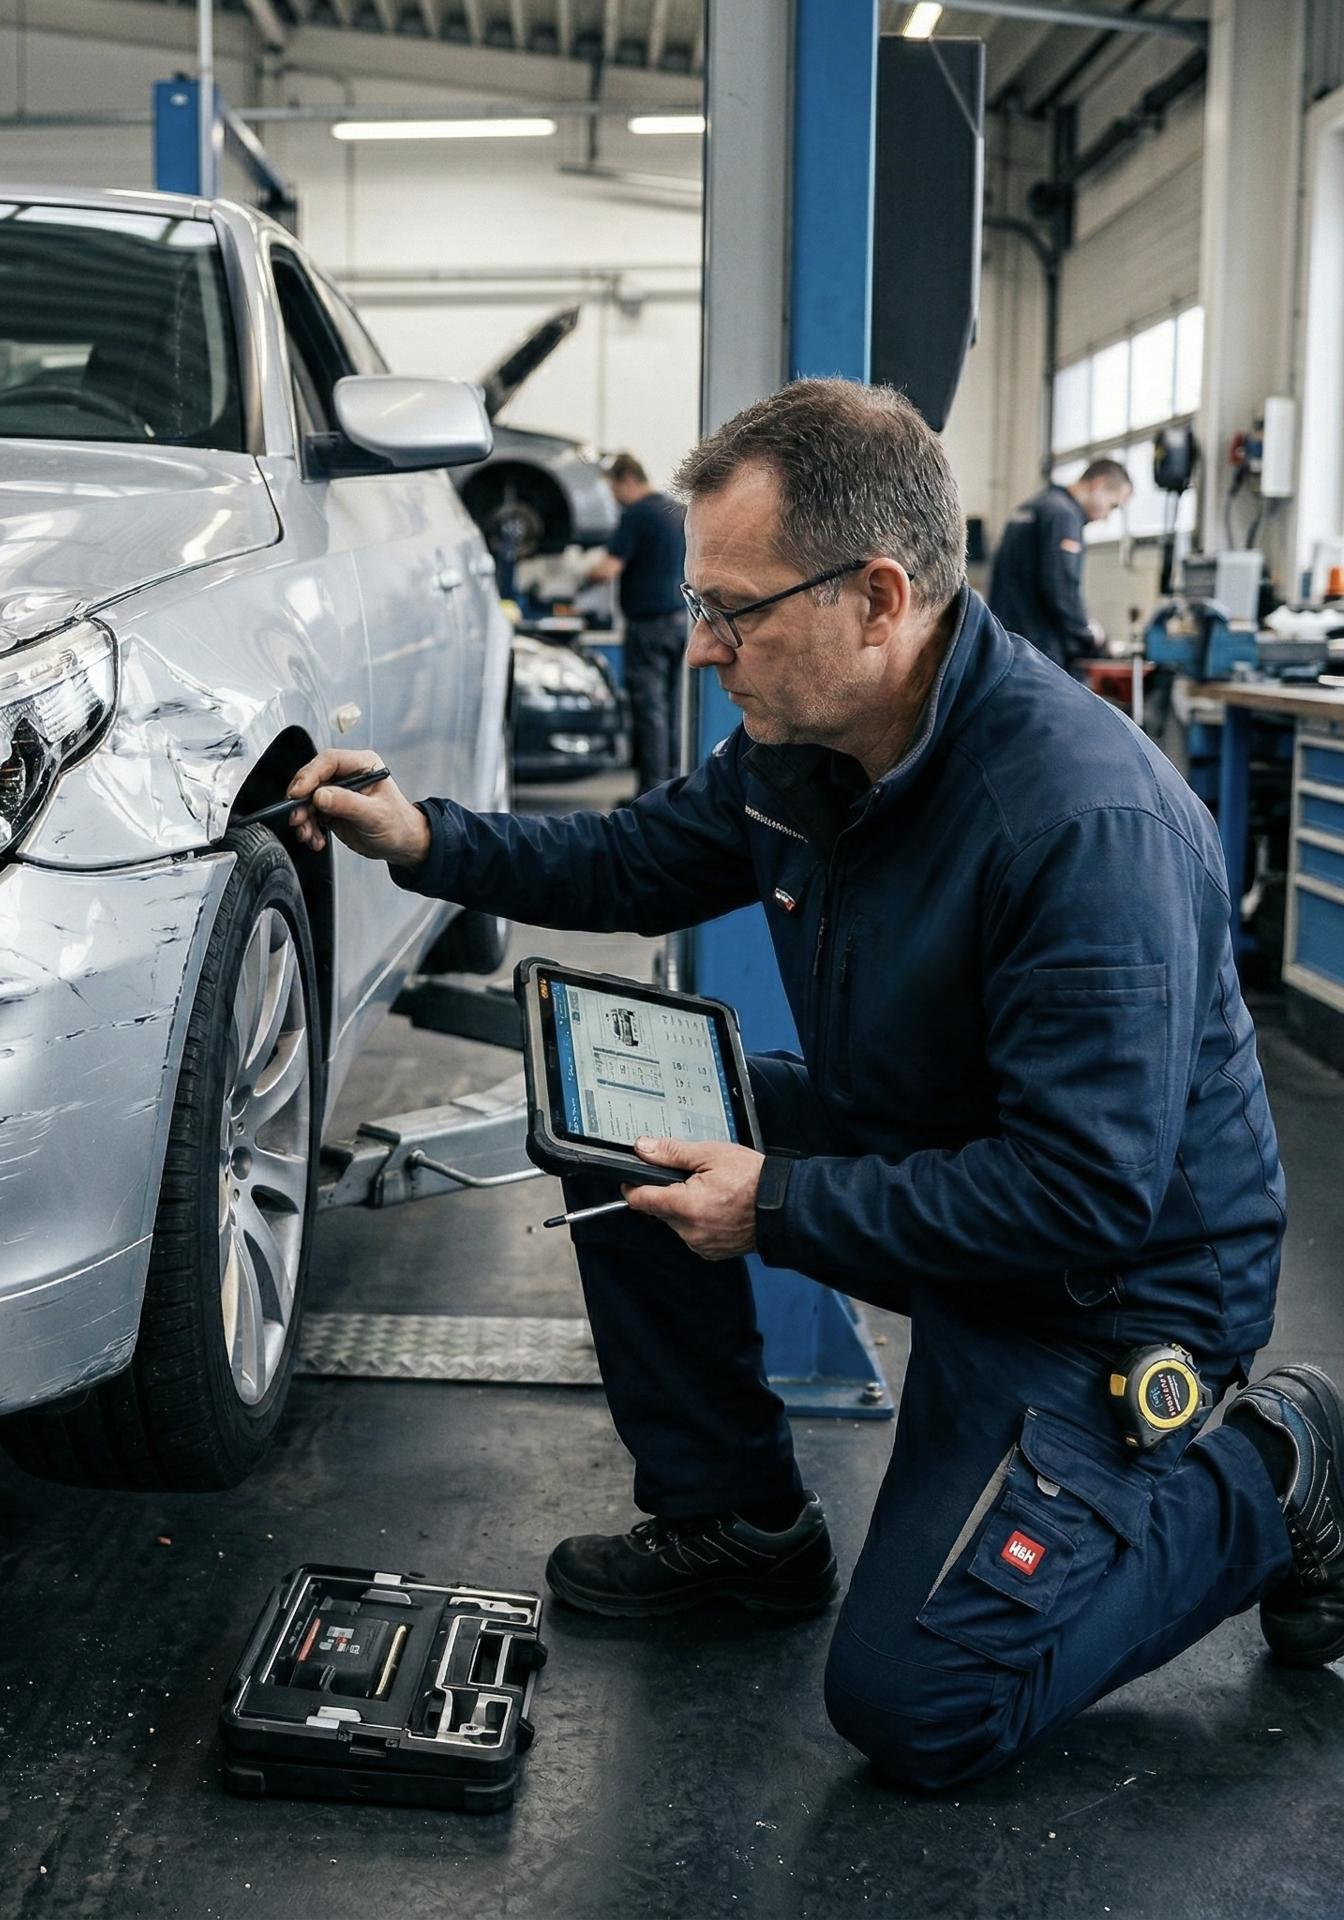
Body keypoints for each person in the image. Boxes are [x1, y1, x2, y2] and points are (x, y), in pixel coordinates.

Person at [279, 380, 1342, 1790]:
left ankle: (1284, 1462)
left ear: (879, 597)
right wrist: (422, 835)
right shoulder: (811, 749)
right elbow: (633, 860)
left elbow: (1082, 1196)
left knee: (923, 1704)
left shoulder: (1084, 825)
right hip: (931, 1151)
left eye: (735, 610)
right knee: (616, 1122)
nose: (706, 647)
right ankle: (741, 1524)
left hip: (1107, 1286)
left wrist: (776, 1205)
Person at [585, 453, 690, 791]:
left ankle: (652, 796)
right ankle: (675, 788)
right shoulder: (676, 511)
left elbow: (608, 569)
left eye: (614, 489)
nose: (614, 498)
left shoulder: (637, 514)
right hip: (681, 622)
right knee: (674, 709)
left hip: (647, 627)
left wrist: (573, 578)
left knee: (649, 712)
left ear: (627, 479)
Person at [986, 457, 1133, 676]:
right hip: (1038, 651)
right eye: (1112, 505)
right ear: (1099, 485)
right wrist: (1088, 636)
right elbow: (1061, 588)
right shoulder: (1063, 516)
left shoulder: (1035, 505)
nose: (1106, 517)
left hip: (1005, 643)